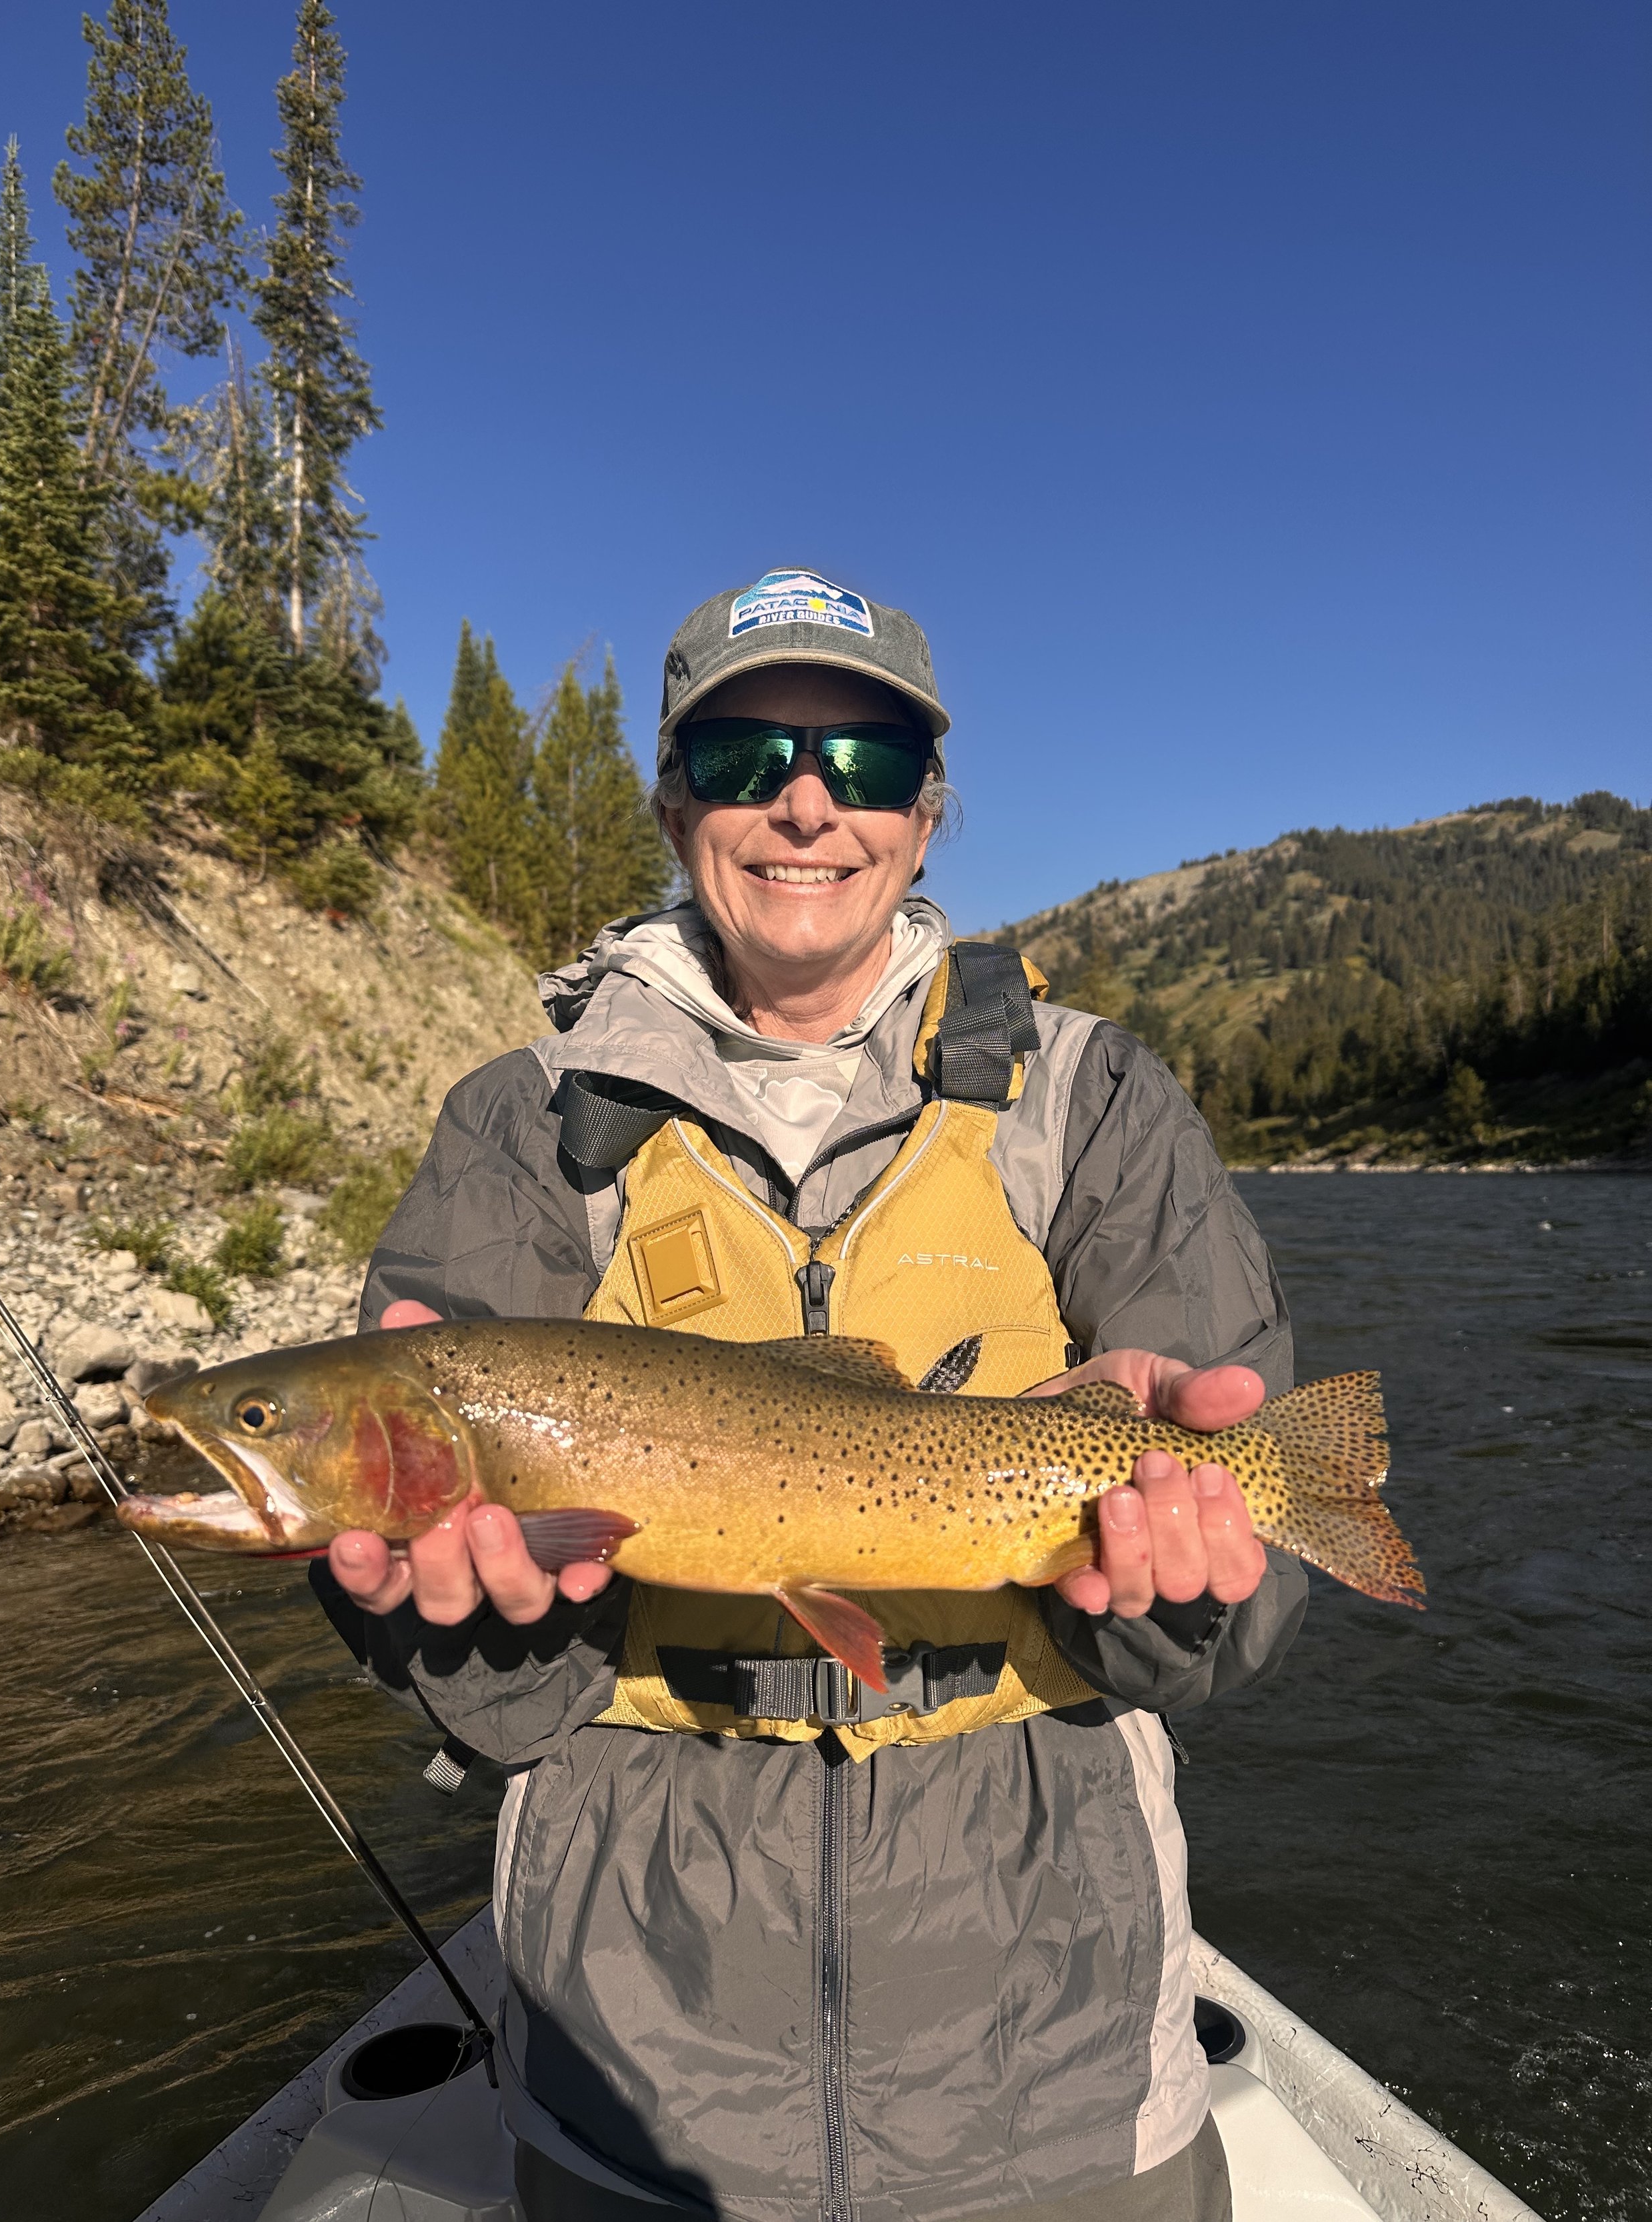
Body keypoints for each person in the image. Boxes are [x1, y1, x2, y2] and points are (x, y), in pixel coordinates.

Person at [321, 568, 1308, 2222]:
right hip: (639, 2047)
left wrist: (1198, 1568)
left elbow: (1226, 1631)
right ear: (670, 801)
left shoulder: (1093, 1097)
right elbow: (482, 1699)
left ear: (924, 818)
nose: (801, 801)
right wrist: (451, 1624)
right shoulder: (520, 1124)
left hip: (1049, 2043)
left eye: (857, 763)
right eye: (742, 755)